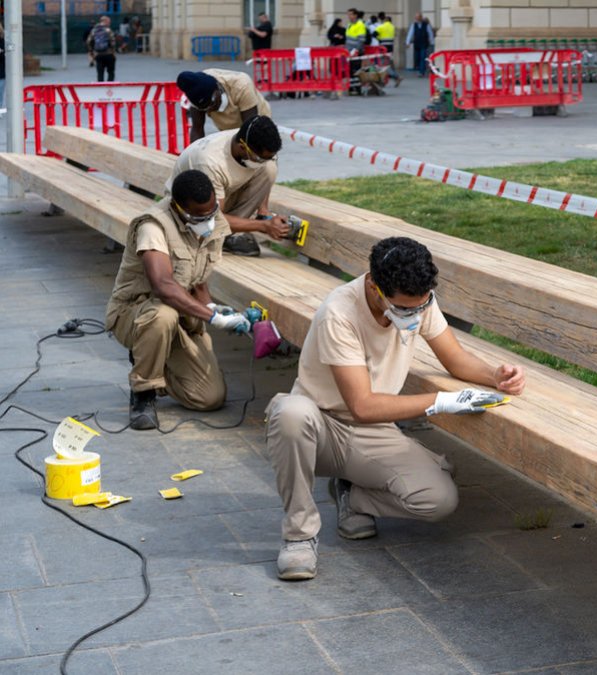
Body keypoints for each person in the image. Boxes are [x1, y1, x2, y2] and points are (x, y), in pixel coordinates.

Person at [267, 236, 526, 581]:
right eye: (405, 309)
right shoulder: (339, 313)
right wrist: (441, 402)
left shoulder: (417, 299)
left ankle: (354, 495)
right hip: (320, 428)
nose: (416, 315)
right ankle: (298, 536)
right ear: (374, 285)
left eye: (422, 306)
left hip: (374, 431)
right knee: (290, 413)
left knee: (438, 499)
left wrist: (496, 375)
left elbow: (455, 359)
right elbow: (362, 405)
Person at [106, 170, 251, 430]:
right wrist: (213, 318)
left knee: (209, 398)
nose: (209, 220)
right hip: (136, 315)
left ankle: (151, 360)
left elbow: (198, 277)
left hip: (181, 320)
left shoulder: (209, 220)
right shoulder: (154, 226)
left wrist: (212, 307)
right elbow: (163, 285)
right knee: (163, 315)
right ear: (179, 208)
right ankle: (144, 392)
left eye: (212, 211)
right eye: (200, 216)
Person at [167, 115, 290, 258]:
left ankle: (228, 234)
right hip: (188, 211)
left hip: (219, 197)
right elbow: (212, 218)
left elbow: (265, 164)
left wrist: (264, 214)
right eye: (260, 158)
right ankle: (220, 235)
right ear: (243, 147)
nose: (264, 161)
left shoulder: (249, 139)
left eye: (271, 156)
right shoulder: (210, 162)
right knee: (207, 228)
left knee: (269, 168)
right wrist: (263, 226)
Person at [177, 69, 272, 143]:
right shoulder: (194, 93)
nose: (211, 108)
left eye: (213, 103)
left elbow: (250, 130)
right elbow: (197, 129)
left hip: (257, 120)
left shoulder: (242, 86)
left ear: (218, 88)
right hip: (227, 127)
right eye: (206, 108)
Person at [86, 16, 117, 82]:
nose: (109, 23)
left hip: (98, 54)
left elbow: (88, 41)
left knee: (100, 73)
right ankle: (110, 88)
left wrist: (92, 52)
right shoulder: (108, 30)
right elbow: (113, 42)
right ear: (105, 21)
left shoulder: (94, 30)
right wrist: (113, 52)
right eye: (109, 22)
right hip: (109, 54)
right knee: (110, 72)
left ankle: (100, 89)